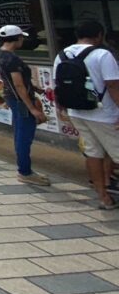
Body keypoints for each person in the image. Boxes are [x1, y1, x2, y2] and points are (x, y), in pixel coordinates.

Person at [55, 19, 119, 209]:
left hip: (78, 113)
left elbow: (58, 86)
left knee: (93, 154)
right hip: (105, 114)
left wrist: (62, 110)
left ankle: (103, 197)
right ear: (100, 35)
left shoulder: (61, 55)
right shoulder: (102, 54)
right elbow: (113, 85)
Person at [0, 24, 50, 186]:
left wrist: (35, 88)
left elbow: (15, 82)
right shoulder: (12, 59)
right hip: (21, 101)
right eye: (21, 37)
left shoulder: (1, 53)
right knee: (24, 135)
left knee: (20, 133)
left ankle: (25, 170)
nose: (22, 40)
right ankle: (25, 172)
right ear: (17, 38)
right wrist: (32, 108)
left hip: (13, 98)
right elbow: (18, 84)